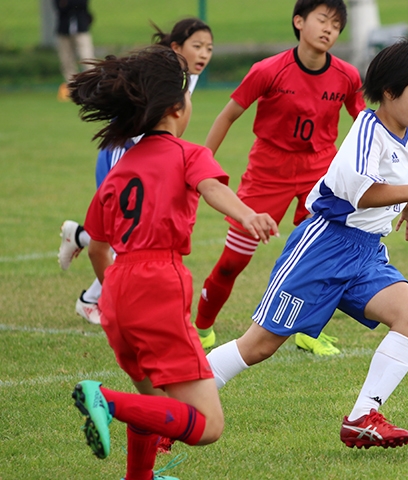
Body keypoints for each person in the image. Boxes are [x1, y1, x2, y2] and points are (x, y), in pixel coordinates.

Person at [205, 37, 408, 449]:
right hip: (324, 248)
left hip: (366, 252)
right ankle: (181, 395)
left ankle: (361, 418)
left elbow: (395, 182)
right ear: (390, 93)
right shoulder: (366, 131)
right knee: (260, 345)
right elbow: (361, 193)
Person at [68, 44, 278, 479]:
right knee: (207, 426)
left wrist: (117, 293)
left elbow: (96, 247)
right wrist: (247, 214)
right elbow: (213, 188)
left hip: (116, 291)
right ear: (178, 107)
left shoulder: (120, 169)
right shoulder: (188, 153)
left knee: (154, 403)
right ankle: (104, 401)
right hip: (158, 281)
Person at [194, 0, 366, 355]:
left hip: (320, 174)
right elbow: (227, 116)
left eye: (336, 25)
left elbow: (365, 125)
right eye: (322, 20)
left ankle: (307, 332)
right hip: (267, 173)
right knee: (232, 263)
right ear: (299, 21)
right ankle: (202, 327)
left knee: (319, 260)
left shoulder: (348, 76)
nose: (329, 29)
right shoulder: (268, 70)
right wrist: (200, 166)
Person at [58, 18, 214, 326]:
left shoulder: (186, 79)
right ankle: (87, 274)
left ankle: (87, 277)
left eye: (209, 48)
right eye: (196, 46)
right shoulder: (161, 73)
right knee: (124, 236)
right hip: (124, 156)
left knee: (132, 236)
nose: (204, 54)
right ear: (175, 48)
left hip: (149, 160)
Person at [53, 0, 95, 101]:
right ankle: (72, 88)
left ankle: (92, 86)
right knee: (66, 60)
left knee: (87, 58)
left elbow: (82, 4)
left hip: (81, 27)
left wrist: (69, 3)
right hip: (64, 29)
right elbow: (60, 7)